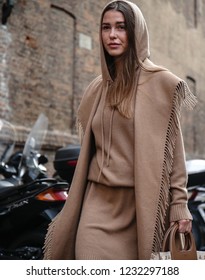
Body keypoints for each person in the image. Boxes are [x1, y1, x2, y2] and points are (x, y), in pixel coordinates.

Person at [43, 0, 197, 260]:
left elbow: (175, 152)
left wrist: (179, 204)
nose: (112, 35)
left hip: (140, 206)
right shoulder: (96, 89)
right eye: (106, 27)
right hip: (97, 203)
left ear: (136, 32)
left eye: (121, 27)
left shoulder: (161, 83)